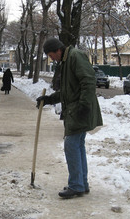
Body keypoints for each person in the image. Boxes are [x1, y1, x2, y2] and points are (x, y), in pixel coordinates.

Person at [36, 37, 103, 199]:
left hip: (79, 109)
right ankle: (81, 183)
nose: (52, 59)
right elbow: (68, 91)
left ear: (58, 50)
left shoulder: (75, 56)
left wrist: (84, 106)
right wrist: (49, 99)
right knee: (77, 145)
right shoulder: (66, 61)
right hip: (75, 110)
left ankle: (76, 185)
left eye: (52, 55)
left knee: (71, 145)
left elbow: (88, 80)